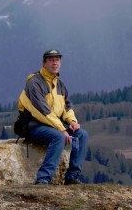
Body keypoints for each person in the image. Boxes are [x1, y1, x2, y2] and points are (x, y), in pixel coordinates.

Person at [17, 49, 88, 185]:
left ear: (60, 63)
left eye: (57, 60)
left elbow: (66, 106)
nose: (54, 63)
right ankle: (43, 179)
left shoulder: (59, 84)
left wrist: (72, 121)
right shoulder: (35, 82)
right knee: (59, 136)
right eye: (51, 60)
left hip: (53, 125)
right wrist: (62, 129)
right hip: (34, 126)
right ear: (44, 63)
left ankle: (72, 176)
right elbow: (42, 110)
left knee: (82, 134)